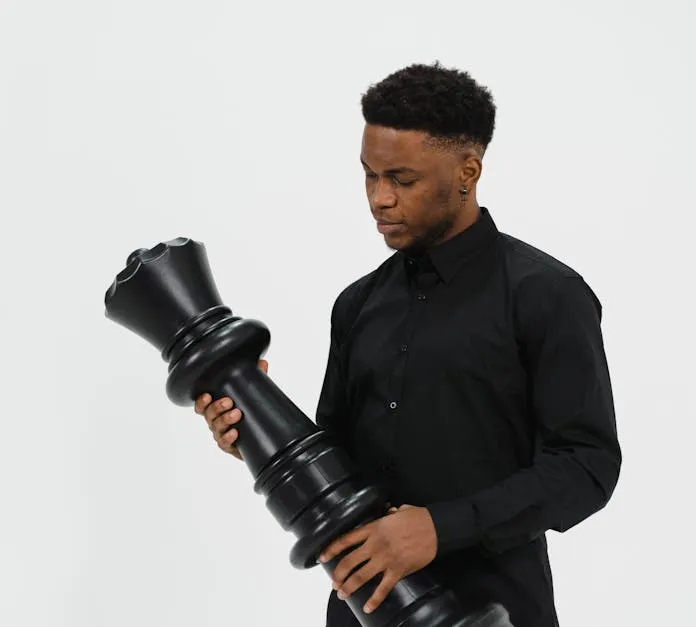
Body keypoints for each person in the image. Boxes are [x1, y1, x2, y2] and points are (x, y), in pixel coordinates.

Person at [194, 62, 621, 627]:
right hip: (362, 610)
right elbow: (340, 457)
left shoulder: (547, 295)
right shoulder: (356, 304)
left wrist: (441, 528)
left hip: (498, 608)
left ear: (468, 171)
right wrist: (258, 432)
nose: (380, 199)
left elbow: (587, 467)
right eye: (369, 175)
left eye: (402, 179)